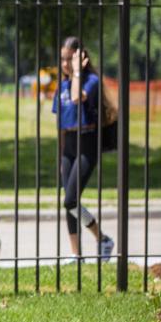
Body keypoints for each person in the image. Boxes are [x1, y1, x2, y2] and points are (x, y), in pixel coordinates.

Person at [52, 36, 115, 262]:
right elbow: (60, 124)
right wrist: (61, 155)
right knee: (69, 202)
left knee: (70, 200)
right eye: (62, 59)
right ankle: (76, 254)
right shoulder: (61, 86)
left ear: (81, 58)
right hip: (69, 145)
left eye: (70, 59)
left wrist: (78, 72)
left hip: (87, 142)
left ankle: (103, 239)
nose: (65, 64)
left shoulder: (91, 81)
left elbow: (77, 97)